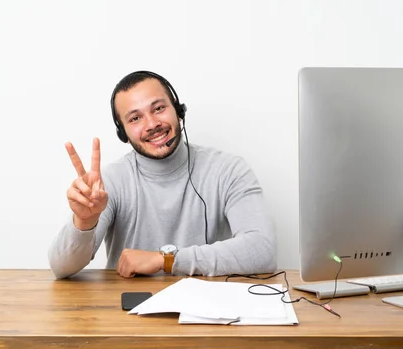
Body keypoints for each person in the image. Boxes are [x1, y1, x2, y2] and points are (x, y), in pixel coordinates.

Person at [48, 71, 277, 279]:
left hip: (207, 314)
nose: (152, 124)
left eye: (158, 109)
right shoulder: (110, 182)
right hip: (129, 315)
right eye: (135, 118)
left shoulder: (229, 170)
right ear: (123, 133)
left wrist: (165, 260)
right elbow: (61, 267)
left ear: (178, 111)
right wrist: (84, 222)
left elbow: (262, 250)